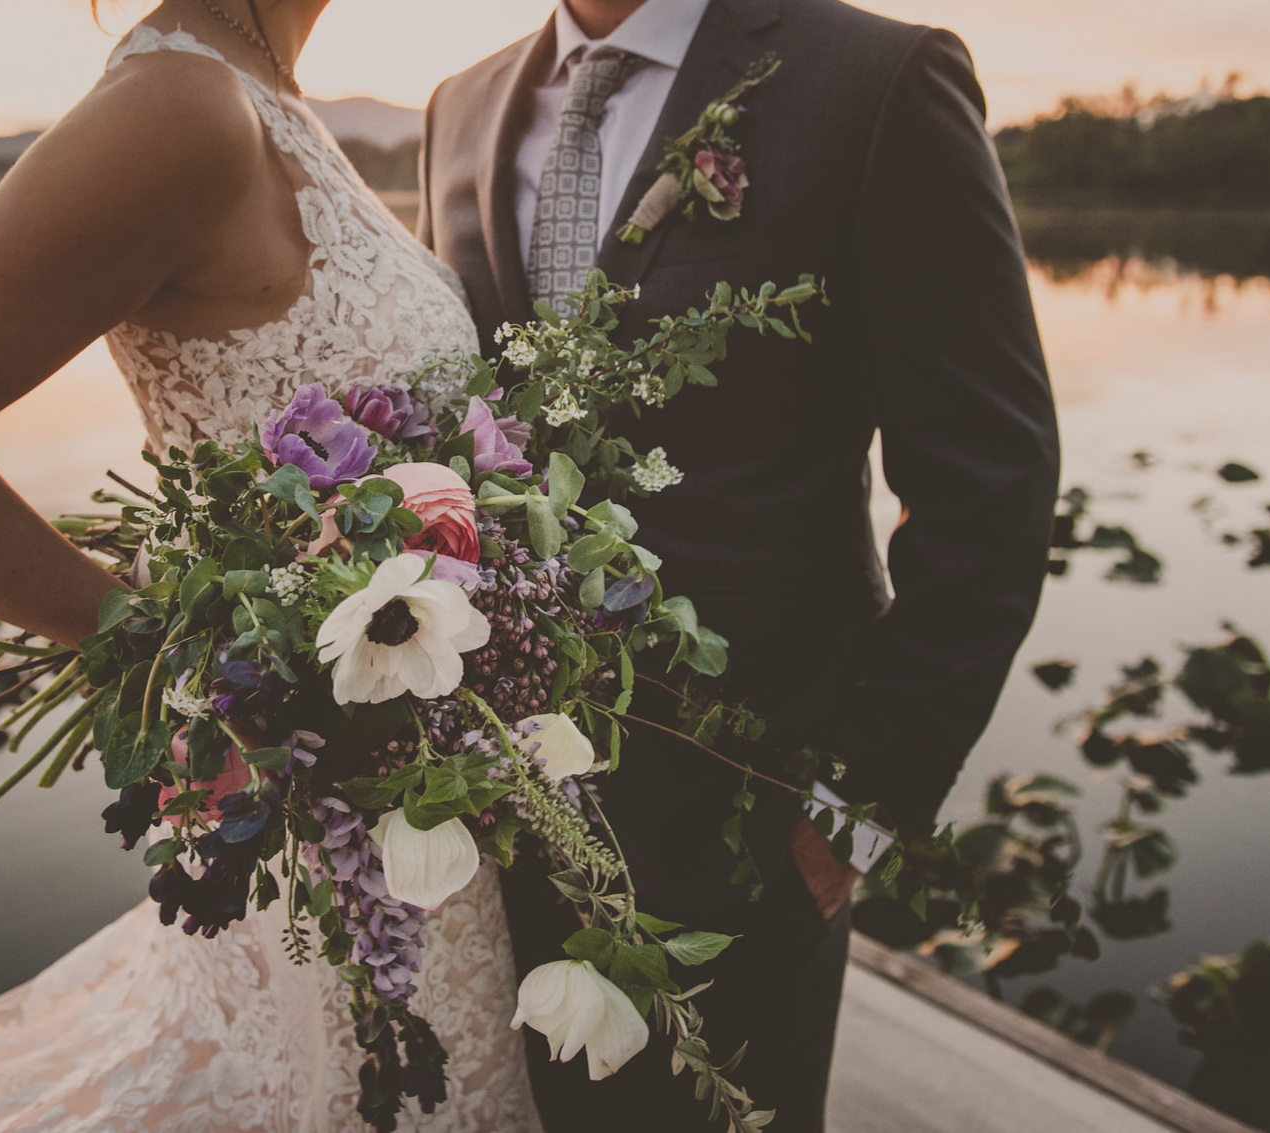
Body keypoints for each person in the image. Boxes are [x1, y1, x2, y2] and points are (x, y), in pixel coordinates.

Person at [0, 2, 545, 1130]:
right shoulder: (178, 107)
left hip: (409, 814)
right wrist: (195, 678)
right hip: (319, 804)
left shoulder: (267, 92)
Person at [418, 0, 1060, 1128]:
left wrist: (853, 814)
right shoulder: (459, 106)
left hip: (750, 827)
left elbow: (988, 488)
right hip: (498, 806)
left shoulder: (875, 80)